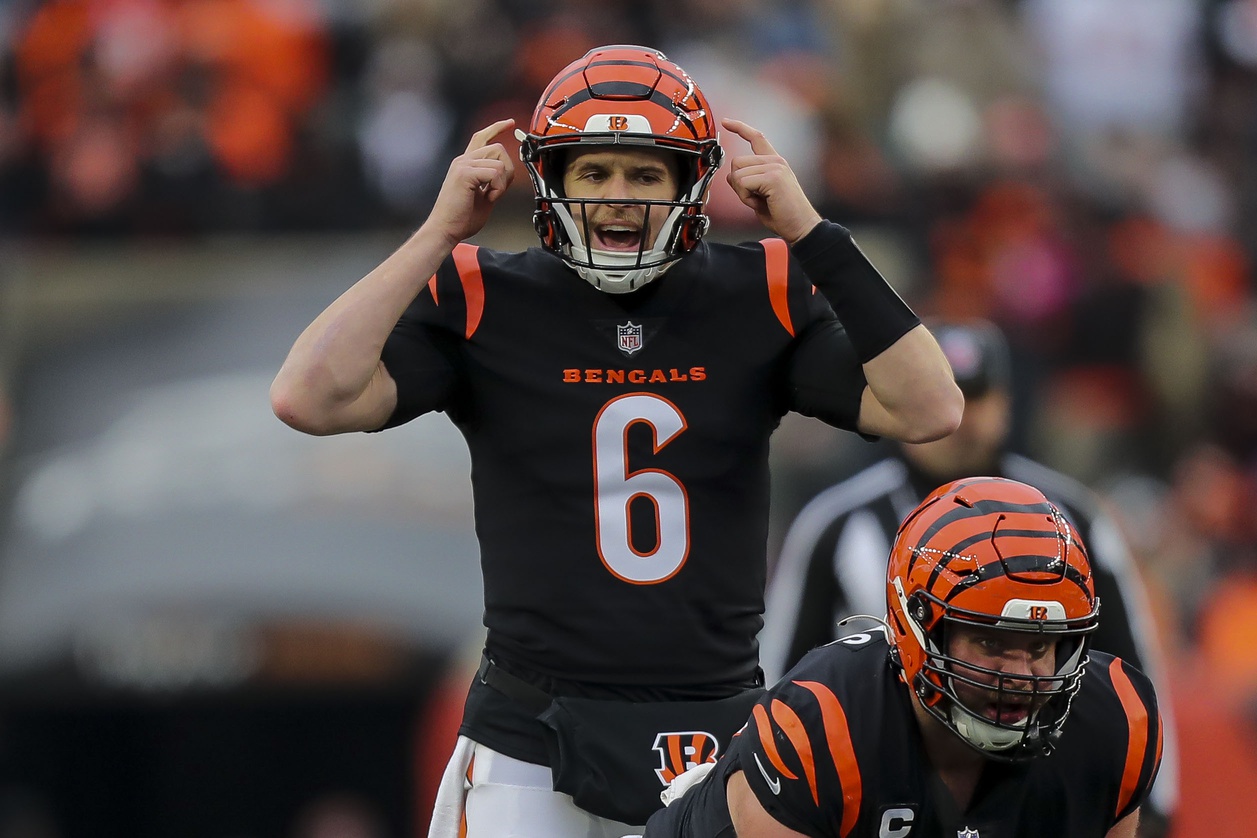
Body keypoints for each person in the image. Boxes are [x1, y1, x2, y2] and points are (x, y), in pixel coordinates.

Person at [270, 44, 962, 837]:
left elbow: (930, 407)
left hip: (716, 727)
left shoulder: (759, 289)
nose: (617, 198)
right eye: (593, 173)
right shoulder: (486, 293)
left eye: (644, 174)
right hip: (530, 726)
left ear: (689, 183)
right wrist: (437, 232)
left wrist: (811, 232)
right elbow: (307, 396)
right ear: (553, 181)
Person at [759, 318, 1177, 836]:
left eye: (976, 398)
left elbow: (1130, 664)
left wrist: (1154, 796)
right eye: (943, 395)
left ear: (1006, 403)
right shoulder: (835, 522)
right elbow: (779, 669)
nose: (959, 419)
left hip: (1030, 770)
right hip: (873, 776)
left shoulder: (1075, 518)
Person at [641, 476, 1163, 838]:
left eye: (1040, 646)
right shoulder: (823, 728)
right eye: (990, 642)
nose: (1020, 675)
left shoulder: (1113, 725)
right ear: (918, 628)